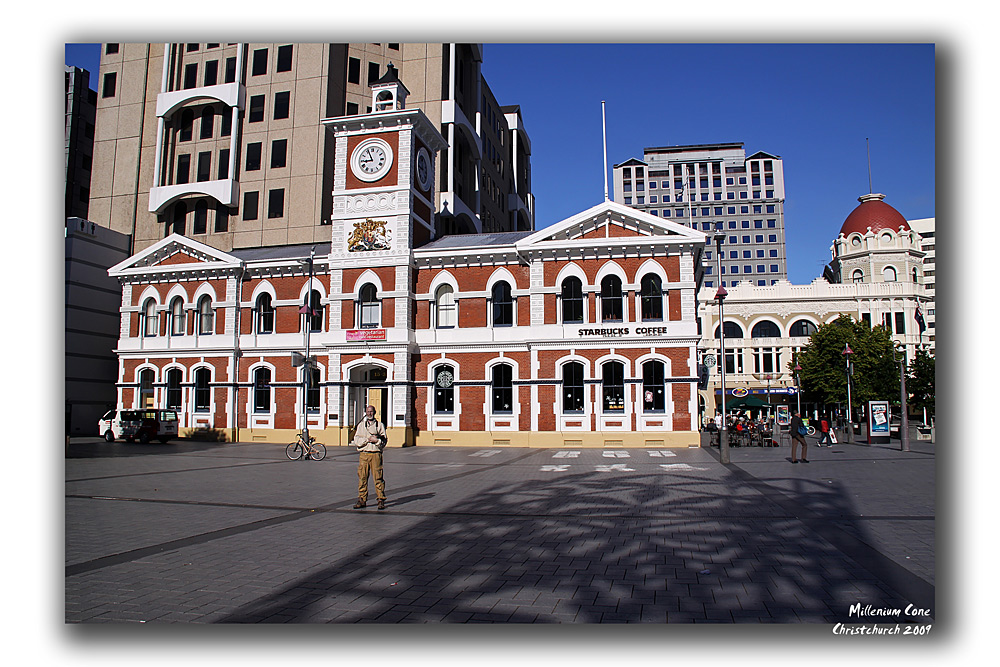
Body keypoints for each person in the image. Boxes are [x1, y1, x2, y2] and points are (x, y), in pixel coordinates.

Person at [352, 405, 388, 510]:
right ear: (365, 413)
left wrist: (376, 441)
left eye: (371, 411)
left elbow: (384, 442)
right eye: (368, 412)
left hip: (376, 454)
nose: (369, 413)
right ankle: (362, 499)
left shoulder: (380, 425)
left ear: (375, 412)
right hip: (364, 454)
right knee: (362, 477)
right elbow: (357, 441)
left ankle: (381, 499)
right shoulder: (361, 426)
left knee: (378, 477)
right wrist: (368, 439)